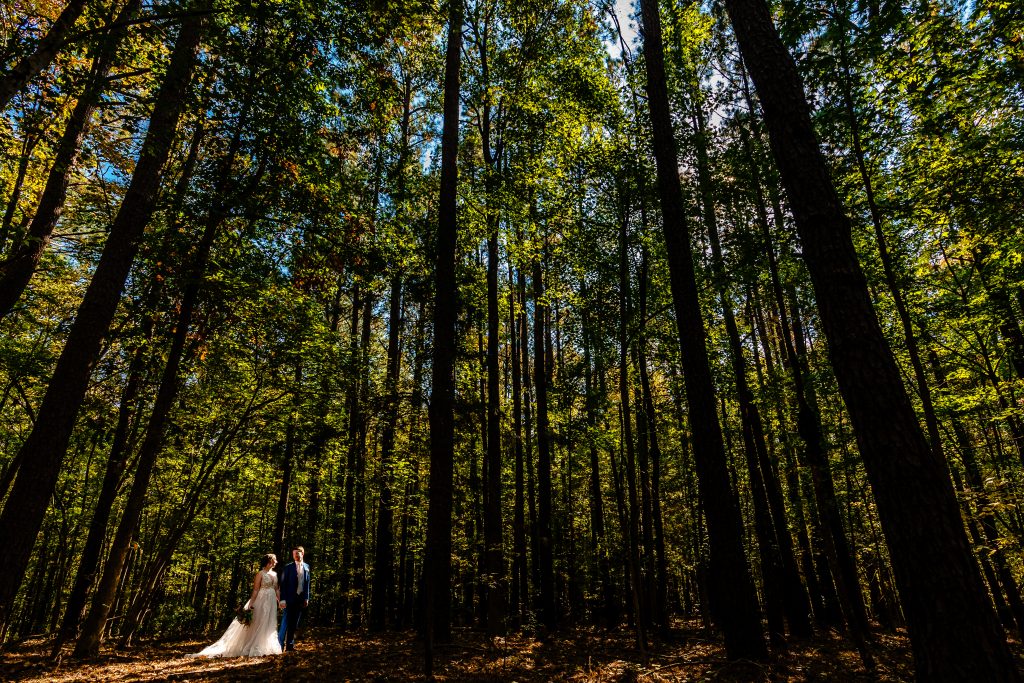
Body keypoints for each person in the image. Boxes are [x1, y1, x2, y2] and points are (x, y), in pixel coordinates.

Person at [191, 553, 282, 658]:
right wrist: (251, 604)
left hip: (271, 600)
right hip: (261, 599)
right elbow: (256, 589)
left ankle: (267, 646)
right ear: (269, 561)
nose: (276, 562)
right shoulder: (260, 574)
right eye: (275, 560)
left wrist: (279, 601)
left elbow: (276, 589)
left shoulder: (275, 574)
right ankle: (255, 646)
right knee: (259, 621)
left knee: (269, 621)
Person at [278, 546, 311, 651]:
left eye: (298, 553)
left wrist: (306, 598)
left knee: (294, 624)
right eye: (294, 554)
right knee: (285, 623)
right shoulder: (288, 567)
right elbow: (282, 584)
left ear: (303, 553)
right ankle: (279, 646)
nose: (296, 555)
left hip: (300, 599)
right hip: (288, 599)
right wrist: (282, 599)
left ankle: (290, 646)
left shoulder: (307, 567)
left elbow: (307, 583)